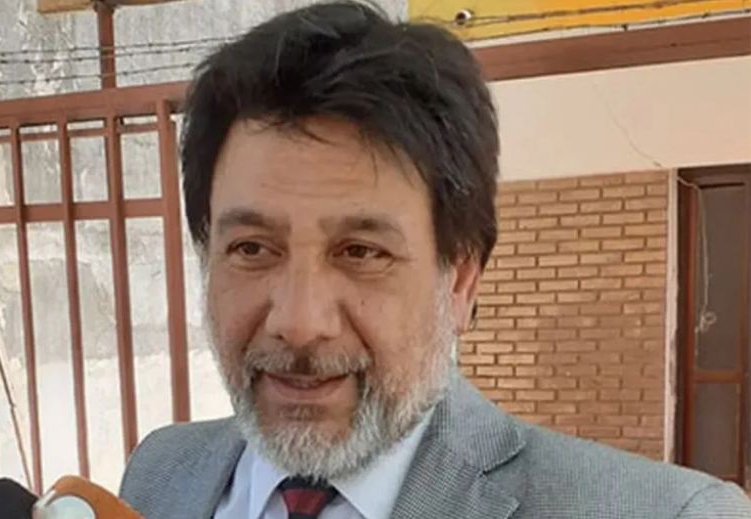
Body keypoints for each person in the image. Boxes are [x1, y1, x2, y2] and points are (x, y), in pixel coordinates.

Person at [119, 2, 751, 518]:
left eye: (361, 251)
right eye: (252, 249)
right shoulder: (160, 474)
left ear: (461, 281)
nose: (299, 322)